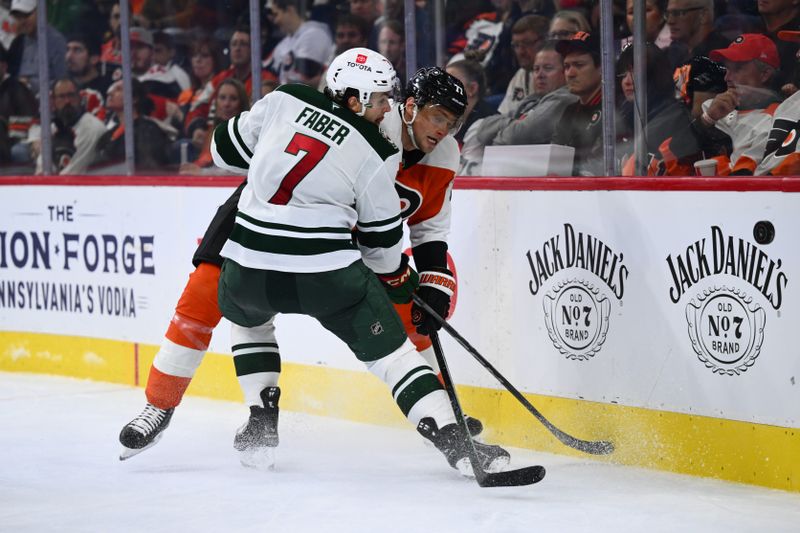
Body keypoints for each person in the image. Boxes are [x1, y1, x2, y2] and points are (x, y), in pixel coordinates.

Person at [119, 52, 501, 476]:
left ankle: (446, 415)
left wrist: (432, 279)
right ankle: (159, 405)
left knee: (414, 317)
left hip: (340, 241)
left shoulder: (442, 153)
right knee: (201, 300)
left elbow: (429, 226)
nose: (445, 129)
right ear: (406, 106)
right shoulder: (373, 131)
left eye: (454, 120)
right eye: (438, 117)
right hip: (277, 218)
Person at [693, 33, 784, 174]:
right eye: (727, 69)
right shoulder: (712, 108)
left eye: (737, 69)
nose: (727, 77)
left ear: (765, 74)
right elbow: (677, 151)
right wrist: (707, 120)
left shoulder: (777, 120)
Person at [615, 43, 701, 175]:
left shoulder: (672, 120)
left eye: (635, 73)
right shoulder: (628, 115)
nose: (626, 81)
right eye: (624, 74)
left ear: (657, 76)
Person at [477, 43, 578, 149]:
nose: (540, 75)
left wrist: (501, 132)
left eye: (548, 68)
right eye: (536, 69)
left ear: (565, 72)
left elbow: (514, 138)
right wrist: (515, 124)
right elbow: (483, 129)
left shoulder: (564, 99)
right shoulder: (533, 99)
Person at [551, 32, 605, 176]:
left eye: (579, 65)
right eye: (567, 66)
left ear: (601, 68)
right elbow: (554, 163)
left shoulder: (614, 108)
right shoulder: (569, 110)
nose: (570, 73)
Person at [36, 78, 106, 175]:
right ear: (54, 101)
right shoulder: (52, 128)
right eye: (61, 96)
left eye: (71, 95)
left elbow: (77, 172)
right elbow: (42, 168)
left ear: (80, 98)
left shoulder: (91, 128)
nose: (67, 101)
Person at [264, 0, 333, 87]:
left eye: (276, 14)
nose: (275, 21)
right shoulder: (284, 43)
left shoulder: (314, 33)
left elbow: (306, 78)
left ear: (289, 10)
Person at [7, 0, 67, 94]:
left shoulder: (56, 41)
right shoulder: (18, 42)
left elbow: (64, 81)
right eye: (18, 17)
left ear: (40, 12)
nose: (22, 21)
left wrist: (30, 84)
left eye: (26, 15)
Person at [497, 14, 550, 115]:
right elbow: (503, 115)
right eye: (516, 45)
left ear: (545, 41)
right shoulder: (521, 74)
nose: (520, 52)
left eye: (527, 43)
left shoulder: (558, 74)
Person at [664, 0, 730, 68]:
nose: (670, 21)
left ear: (704, 15)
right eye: (668, 14)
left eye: (679, 13)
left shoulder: (720, 57)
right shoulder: (675, 54)